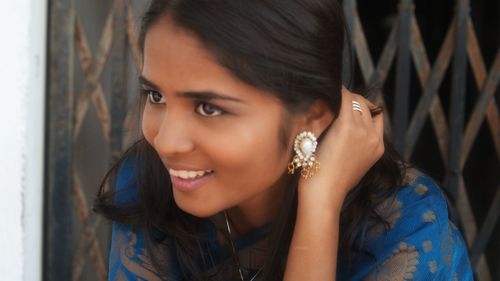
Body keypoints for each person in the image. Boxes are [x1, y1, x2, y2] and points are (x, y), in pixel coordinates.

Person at [93, 0, 474, 280]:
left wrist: (319, 205)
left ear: (310, 118)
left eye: (209, 108)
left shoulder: (405, 228)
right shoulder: (147, 183)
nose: (166, 142)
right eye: (156, 96)